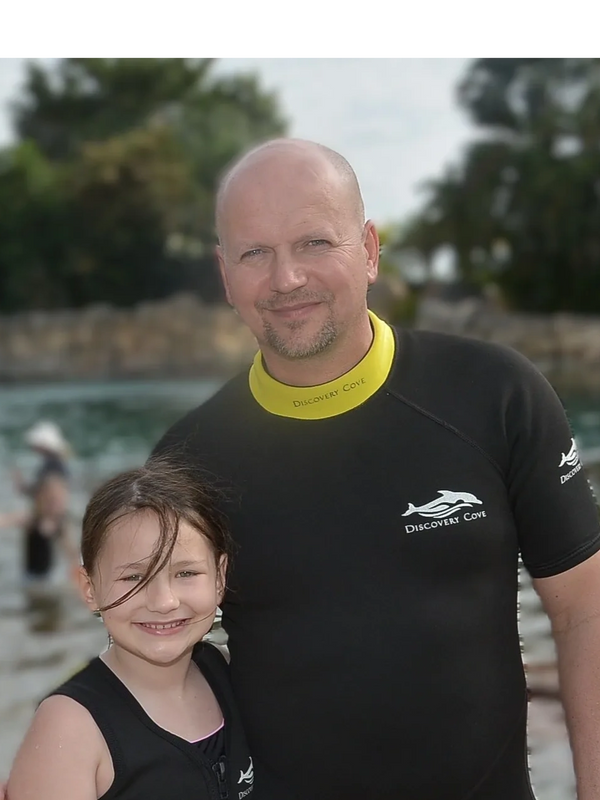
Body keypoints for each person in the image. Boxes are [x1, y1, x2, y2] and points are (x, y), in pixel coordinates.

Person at [146, 139, 600, 800]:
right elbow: (147, 662)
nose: (286, 279)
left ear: (368, 250)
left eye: (313, 243)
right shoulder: (186, 461)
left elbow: (586, 608)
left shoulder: (495, 394)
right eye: (255, 253)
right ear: (224, 273)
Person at [6, 457, 255, 800]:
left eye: (186, 573)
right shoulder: (70, 726)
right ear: (89, 588)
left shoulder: (226, 672)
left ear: (219, 576)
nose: (164, 601)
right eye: (134, 577)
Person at [0, 420, 76, 583]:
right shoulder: (55, 464)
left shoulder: (52, 466)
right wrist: (23, 486)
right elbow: (40, 492)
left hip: (46, 519)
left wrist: (50, 517)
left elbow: (53, 493)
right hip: (46, 518)